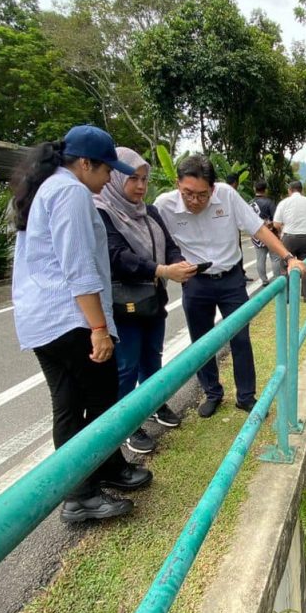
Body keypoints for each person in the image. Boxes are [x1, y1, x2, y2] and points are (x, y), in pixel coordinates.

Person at [10, 125, 152, 523]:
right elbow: (78, 267)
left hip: (42, 321)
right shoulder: (71, 191)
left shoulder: (45, 187)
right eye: (107, 169)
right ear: (86, 163)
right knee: (103, 402)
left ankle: (103, 471)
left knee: (70, 406)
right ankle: (81, 495)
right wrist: (99, 329)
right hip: (71, 320)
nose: (110, 177)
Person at [155, 155, 306, 418]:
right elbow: (158, 243)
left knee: (240, 338)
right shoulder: (164, 205)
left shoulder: (226, 196)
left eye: (202, 195)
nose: (194, 201)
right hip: (195, 282)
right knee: (201, 344)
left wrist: (289, 258)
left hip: (231, 280)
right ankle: (212, 393)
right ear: (177, 184)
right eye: (188, 194)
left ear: (212, 189)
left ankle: (246, 396)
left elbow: (258, 230)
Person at [94, 147, 197, 455]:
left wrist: (181, 263)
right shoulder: (102, 211)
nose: (140, 186)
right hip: (123, 304)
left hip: (152, 299)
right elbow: (117, 257)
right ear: (114, 179)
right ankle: (127, 424)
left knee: (153, 356)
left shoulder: (149, 212)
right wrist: (163, 269)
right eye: (132, 179)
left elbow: (169, 244)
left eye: (144, 179)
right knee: (126, 365)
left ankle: (153, 403)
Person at [274, 181, 306, 303]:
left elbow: (276, 223)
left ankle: (287, 297)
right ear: (301, 190)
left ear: (289, 190)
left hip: (289, 238)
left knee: (286, 267)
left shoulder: (284, 203)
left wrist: (284, 227)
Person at [250, 180, 280, 287]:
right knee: (275, 258)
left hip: (256, 235)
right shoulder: (269, 202)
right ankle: (277, 279)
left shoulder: (250, 203)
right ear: (265, 190)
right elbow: (276, 219)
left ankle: (264, 280)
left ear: (255, 189)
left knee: (260, 259)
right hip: (270, 234)